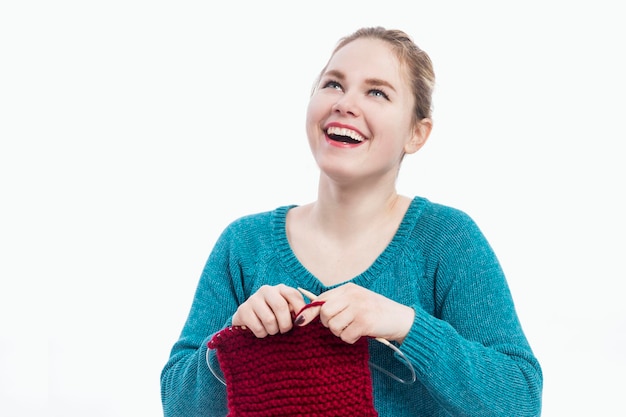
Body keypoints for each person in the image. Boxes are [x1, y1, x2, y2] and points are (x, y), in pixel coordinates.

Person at [160, 26, 543, 416]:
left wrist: (406, 325)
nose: (345, 103)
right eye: (333, 84)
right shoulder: (243, 245)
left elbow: (521, 401)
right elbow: (177, 405)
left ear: (416, 133)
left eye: (377, 92)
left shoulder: (449, 241)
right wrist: (234, 334)